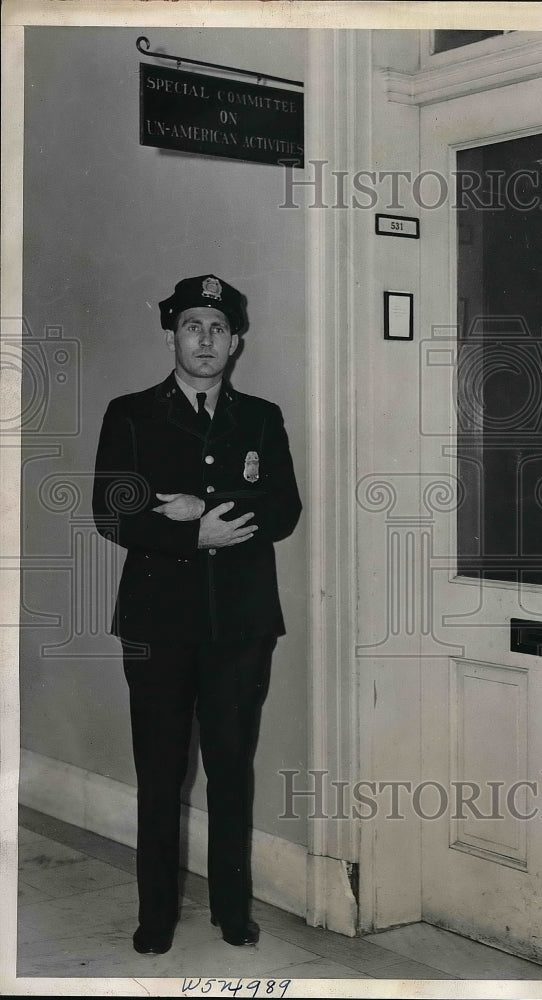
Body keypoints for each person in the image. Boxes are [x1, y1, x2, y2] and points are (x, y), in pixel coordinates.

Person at [92, 274, 302, 955]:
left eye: (218, 328)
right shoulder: (130, 414)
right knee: (159, 773)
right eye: (192, 327)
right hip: (156, 625)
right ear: (172, 337)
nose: (205, 340)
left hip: (241, 625)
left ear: (235, 341)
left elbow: (285, 508)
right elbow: (111, 512)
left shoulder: (261, 417)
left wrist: (201, 510)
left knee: (232, 769)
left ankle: (231, 913)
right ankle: (156, 917)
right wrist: (190, 535)